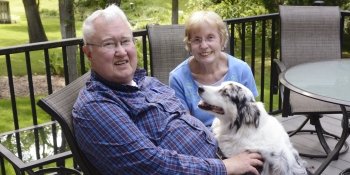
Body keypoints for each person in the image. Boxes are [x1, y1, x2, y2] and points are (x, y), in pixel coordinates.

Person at [73, 4, 263, 175]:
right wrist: (226, 167)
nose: (121, 51)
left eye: (125, 41)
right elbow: (149, 164)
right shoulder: (96, 105)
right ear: (89, 53)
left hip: (225, 151)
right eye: (109, 44)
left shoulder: (146, 82)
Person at [169, 11, 258, 127]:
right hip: (200, 140)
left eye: (210, 38)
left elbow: (250, 116)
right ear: (189, 44)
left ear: (221, 40)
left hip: (238, 138)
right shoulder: (178, 78)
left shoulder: (241, 70)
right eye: (197, 39)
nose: (204, 46)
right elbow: (185, 127)